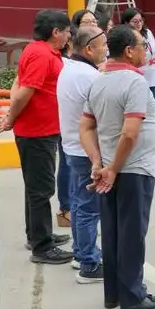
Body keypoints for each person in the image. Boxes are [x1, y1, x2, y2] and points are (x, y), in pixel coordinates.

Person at [80, 25, 155, 309]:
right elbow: (130, 133)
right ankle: (133, 297)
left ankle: (114, 294)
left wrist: (98, 162)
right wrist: (114, 169)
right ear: (130, 51)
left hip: (110, 169)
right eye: (142, 45)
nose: (147, 50)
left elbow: (86, 126)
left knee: (113, 232)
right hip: (131, 170)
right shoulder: (134, 83)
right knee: (132, 235)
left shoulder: (100, 81)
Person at [0, 9, 74, 264]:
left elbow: (19, 82)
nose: (68, 36)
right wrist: (10, 118)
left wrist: (12, 117)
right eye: (66, 31)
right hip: (37, 132)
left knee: (35, 188)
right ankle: (42, 247)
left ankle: (38, 235)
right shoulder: (42, 55)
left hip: (40, 130)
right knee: (41, 190)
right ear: (55, 32)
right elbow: (23, 92)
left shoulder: (37, 50)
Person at [56, 24, 108, 281]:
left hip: (72, 147)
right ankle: (89, 263)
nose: (106, 50)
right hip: (87, 151)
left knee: (79, 204)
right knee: (89, 208)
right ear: (89, 48)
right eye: (103, 45)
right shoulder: (91, 77)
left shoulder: (68, 68)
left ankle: (81, 253)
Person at [123, 7, 155, 161]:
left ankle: (150, 147)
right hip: (136, 81)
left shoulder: (148, 33)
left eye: (141, 20)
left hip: (151, 80)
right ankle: (137, 148)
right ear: (127, 22)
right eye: (135, 21)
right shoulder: (127, 37)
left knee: (151, 114)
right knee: (138, 116)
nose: (139, 23)